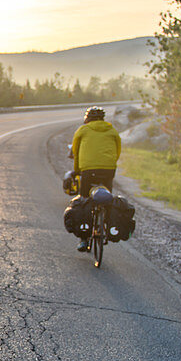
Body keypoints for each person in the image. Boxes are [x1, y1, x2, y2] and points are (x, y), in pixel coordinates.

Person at [70, 106, 121, 252]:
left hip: (88, 170)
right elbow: (117, 151)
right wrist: (110, 165)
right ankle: (106, 225)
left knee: (85, 199)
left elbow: (76, 151)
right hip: (109, 169)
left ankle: (84, 239)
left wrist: (77, 170)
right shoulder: (112, 130)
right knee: (107, 198)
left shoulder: (83, 130)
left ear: (87, 119)